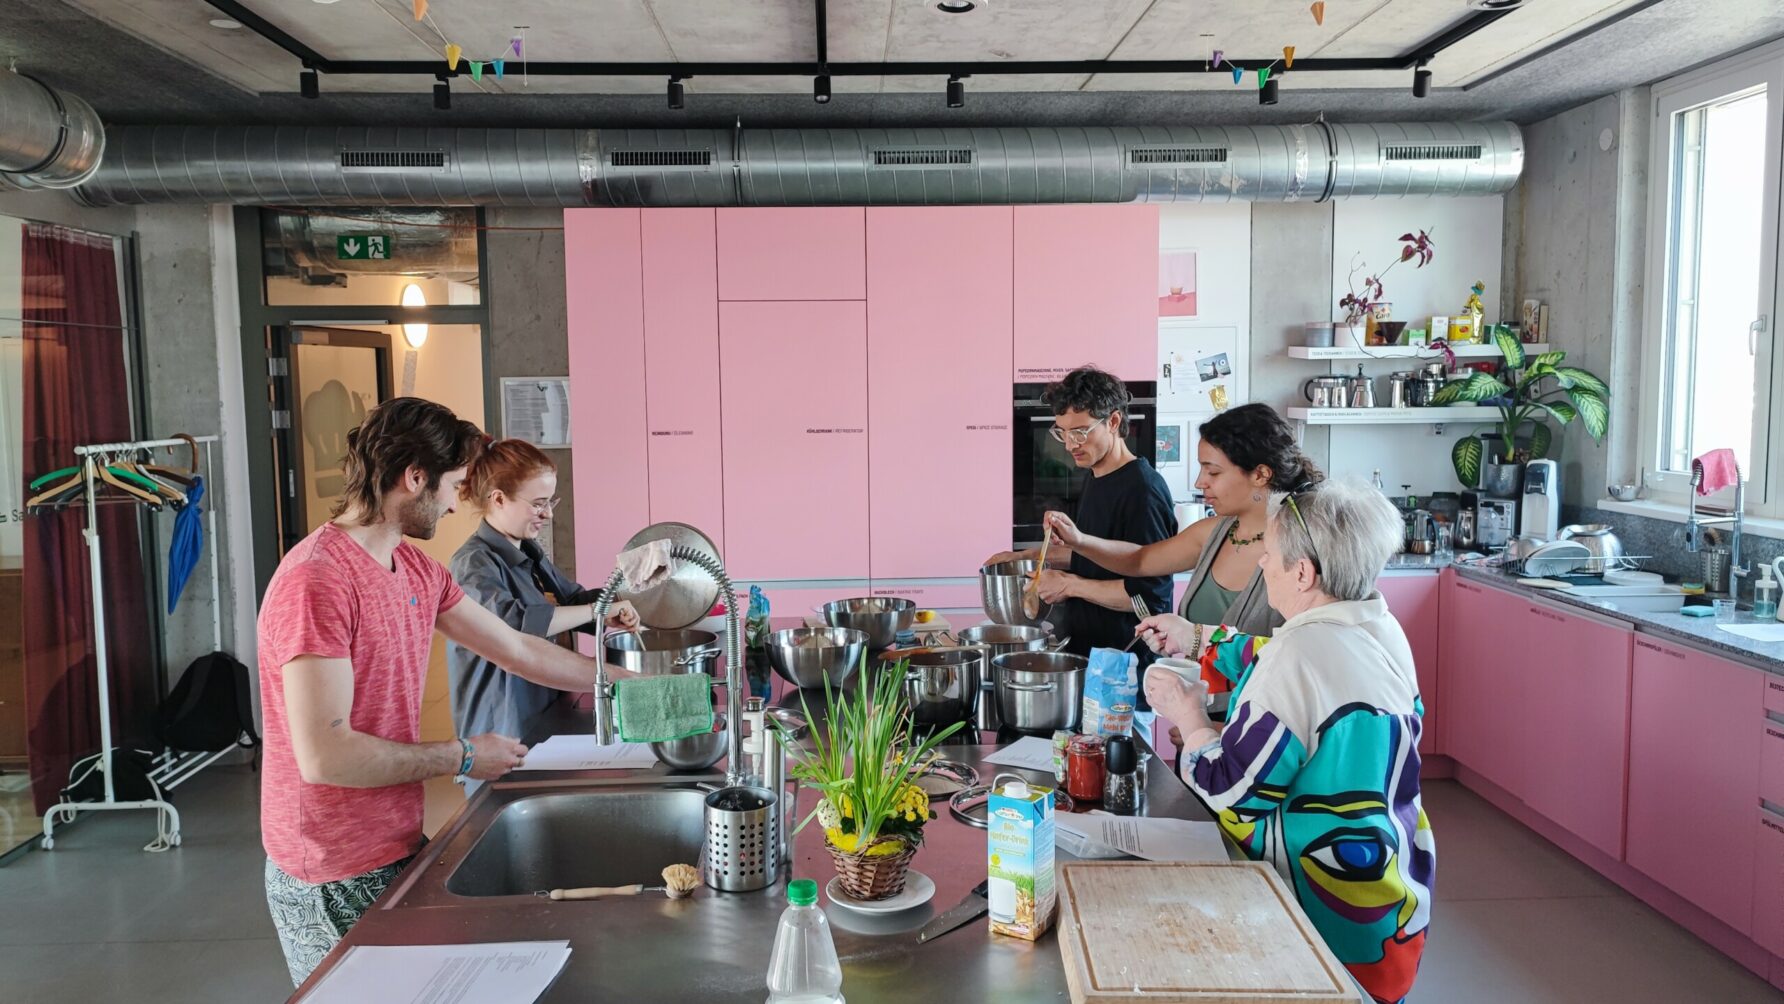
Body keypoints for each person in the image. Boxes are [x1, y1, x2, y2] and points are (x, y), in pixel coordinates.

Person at [257, 398, 634, 986]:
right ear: (415, 478)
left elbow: (517, 646)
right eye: (455, 485)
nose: (459, 501)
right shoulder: (317, 581)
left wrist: (633, 685)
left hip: (394, 842)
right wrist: (461, 755)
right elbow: (325, 756)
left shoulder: (415, 569)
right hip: (328, 867)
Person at [1138, 479, 1433, 1004]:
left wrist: (1189, 716)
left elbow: (1234, 791)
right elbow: (1281, 658)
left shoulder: (1298, 657)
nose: (1260, 565)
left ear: (1303, 572)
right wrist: (1199, 637)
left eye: (1269, 555)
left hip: (1320, 909)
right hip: (1389, 893)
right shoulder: (1378, 626)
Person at [1045, 404, 1322, 724]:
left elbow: (1305, 662)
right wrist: (1079, 540)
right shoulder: (1215, 532)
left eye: (1213, 471)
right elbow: (1140, 559)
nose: (1200, 481)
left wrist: (1212, 728)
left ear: (1260, 474)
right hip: (1197, 728)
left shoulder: (1303, 555)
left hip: (1262, 736)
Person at [447, 438, 639, 792]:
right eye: (538, 504)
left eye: (550, 502)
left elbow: (571, 600)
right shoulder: (473, 564)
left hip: (543, 715)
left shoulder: (529, 552)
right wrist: (597, 609)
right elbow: (517, 625)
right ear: (498, 499)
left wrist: (617, 603)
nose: (548, 514)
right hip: (502, 730)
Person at [984, 366, 1175, 695]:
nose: (1070, 443)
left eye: (1081, 431)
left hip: (1122, 672)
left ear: (1113, 422)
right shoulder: (1097, 475)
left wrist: (1070, 586)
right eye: (1062, 432)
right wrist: (1025, 557)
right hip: (1089, 660)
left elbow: (1147, 600)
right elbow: (1093, 557)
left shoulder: (1142, 491)